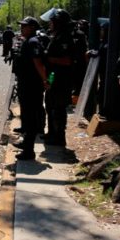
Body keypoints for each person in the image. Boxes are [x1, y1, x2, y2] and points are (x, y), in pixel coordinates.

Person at [11, 17, 48, 160]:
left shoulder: (33, 42)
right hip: (26, 85)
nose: (22, 28)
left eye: (24, 26)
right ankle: (26, 144)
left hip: (32, 86)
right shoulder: (29, 41)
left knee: (31, 117)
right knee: (26, 116)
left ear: (32, 27)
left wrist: (45, 80)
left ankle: (29, 151)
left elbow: (38, 63)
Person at [44, 9, 74, 147]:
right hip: (53, 76)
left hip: (62, 80)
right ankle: (52, 134)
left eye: (52, 21)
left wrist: (49, 58)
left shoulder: (65, 38)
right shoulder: (56, 36)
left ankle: (59, 137)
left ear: (58, 22)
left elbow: (67, 61)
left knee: (58, 109)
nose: (50, 23)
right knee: (50, 105)